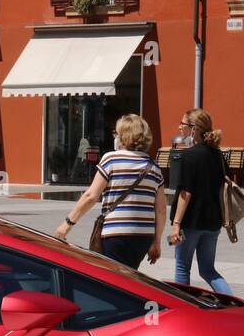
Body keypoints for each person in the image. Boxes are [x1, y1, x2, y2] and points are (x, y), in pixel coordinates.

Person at [54, 114, 164, 270]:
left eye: (117, 134)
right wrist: (157, 242)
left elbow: (91, 195)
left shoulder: (111, 159)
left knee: (114, 281)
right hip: (143, 236)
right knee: (130, 277)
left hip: (116, 234)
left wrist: (67, 224)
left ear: (125, 136)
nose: (115, 137)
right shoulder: (153, 167)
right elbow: (160, 210)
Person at [168, 108, 233, 295]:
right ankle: (230, 302)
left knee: (182, 267)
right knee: (208, 270)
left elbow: (185, 193)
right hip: (213, 222)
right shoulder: (217, 154)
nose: (180, 127)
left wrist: (176, 224)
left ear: (194, 129)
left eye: (184, 124)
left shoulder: (189, 155)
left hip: (190, 222)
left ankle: (184, 310)